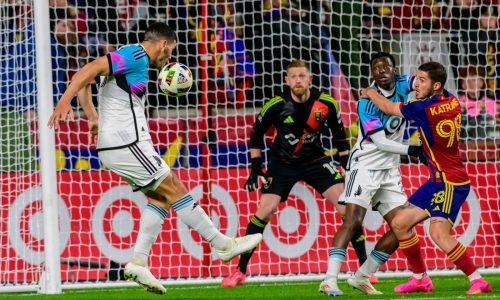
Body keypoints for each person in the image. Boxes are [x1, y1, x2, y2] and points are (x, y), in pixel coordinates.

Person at [47, 22, 263, 295]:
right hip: (127, 142)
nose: (169, 59)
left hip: (120, 144)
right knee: (175, 188)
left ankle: (139, 261)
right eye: (170, 52)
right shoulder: (136, 55)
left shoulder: (126, 58)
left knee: (160, 197)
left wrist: (92, 116)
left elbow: (89, 79)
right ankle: (221, 244)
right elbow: (87, 71)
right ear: (162, 44)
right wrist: (64, 101)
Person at [221, 59, 371, 288]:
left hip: (316, 160)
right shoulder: (275, 105)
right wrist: (255, 169)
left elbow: (339, 135)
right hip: (282, 163)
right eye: (293, 76)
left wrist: (347, 166)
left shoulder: (326, 103)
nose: (298, 80)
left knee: (347, 207)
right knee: (265, 210)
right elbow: (255, 135)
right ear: (286, 80)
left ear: (310, 79)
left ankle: (364, 269)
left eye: (302, 76)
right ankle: (240, 271)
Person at [359, 61, 493, 295]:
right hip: (438, 180)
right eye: (416, 78)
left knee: (438, 233)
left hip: (450, 181)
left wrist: (370, 92)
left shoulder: (423, 108)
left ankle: (477, 279)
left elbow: (389, 108)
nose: (416, 84)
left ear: (437, 85)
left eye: (422, 80)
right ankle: (420, 279)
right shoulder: (451, 100)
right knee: (400, 223)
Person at [319, 52, 426, 296]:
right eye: (376, 68)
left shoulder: (403, 83)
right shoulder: (366, 102)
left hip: (389, 171)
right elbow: (380, 143)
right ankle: (329, 279)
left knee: (402, 227)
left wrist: (438, 94)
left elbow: (423, 81)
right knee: (353, 221)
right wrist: (413, 149)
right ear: (371, 73)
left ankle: (361, 276)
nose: (381, 70)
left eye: (385, 66)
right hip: (364, 165)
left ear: (393, 69)